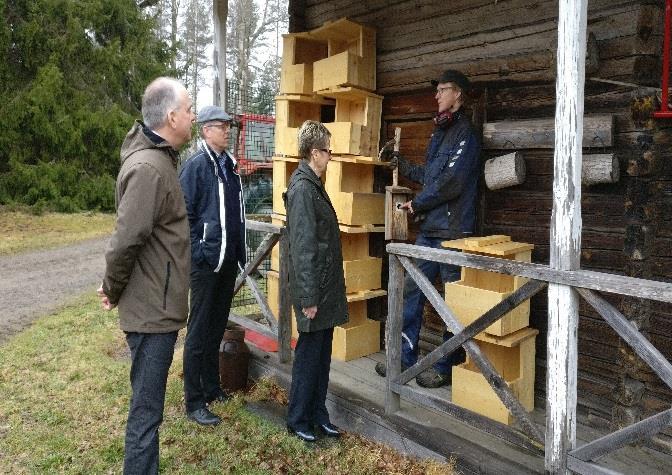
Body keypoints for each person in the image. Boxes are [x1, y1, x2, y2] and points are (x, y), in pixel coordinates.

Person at [97, 76, 195, 474]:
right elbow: (126, 238)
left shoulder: (160, 160)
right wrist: (110, 286)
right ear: (171, 117)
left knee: (148, 409)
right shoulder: (149, 169)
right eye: (188, 110)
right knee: (146, 413)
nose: (193, 116)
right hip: (151, 311)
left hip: (157, 304)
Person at [375, 69, 480, 388]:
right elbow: (432, 177)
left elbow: (452, 183)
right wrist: (401, 164)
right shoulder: (439, 134)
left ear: (458, 94)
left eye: (443, 90)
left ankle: (446, 367)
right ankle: (403, 359)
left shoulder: (467, 135)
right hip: (430, 231)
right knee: (411, 293)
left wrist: (417, 205)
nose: (437, 95)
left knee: (449, 303)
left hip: (452, 233)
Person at [178, 105, 246, 426]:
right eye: (221, 126)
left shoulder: (228, 166)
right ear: (206, 130)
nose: (227, 130)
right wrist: (199, 253)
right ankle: (194, 402)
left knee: (217, 327)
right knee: (198, 330)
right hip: (206, 264)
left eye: (228, 126)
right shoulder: (195, 166)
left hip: (227, 260)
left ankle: (211, 387)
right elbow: (182, 217)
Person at [284, 120, 348, 442]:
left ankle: (317, 414)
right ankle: (297, 419)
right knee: (309, 358)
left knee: (322, 358)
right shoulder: (302, 189)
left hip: (325, 288)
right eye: (328, 150)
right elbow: (303, 247)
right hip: (315, 292)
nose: (330, 156)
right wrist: (308, 298)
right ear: (314, 152)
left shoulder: (314, 185)